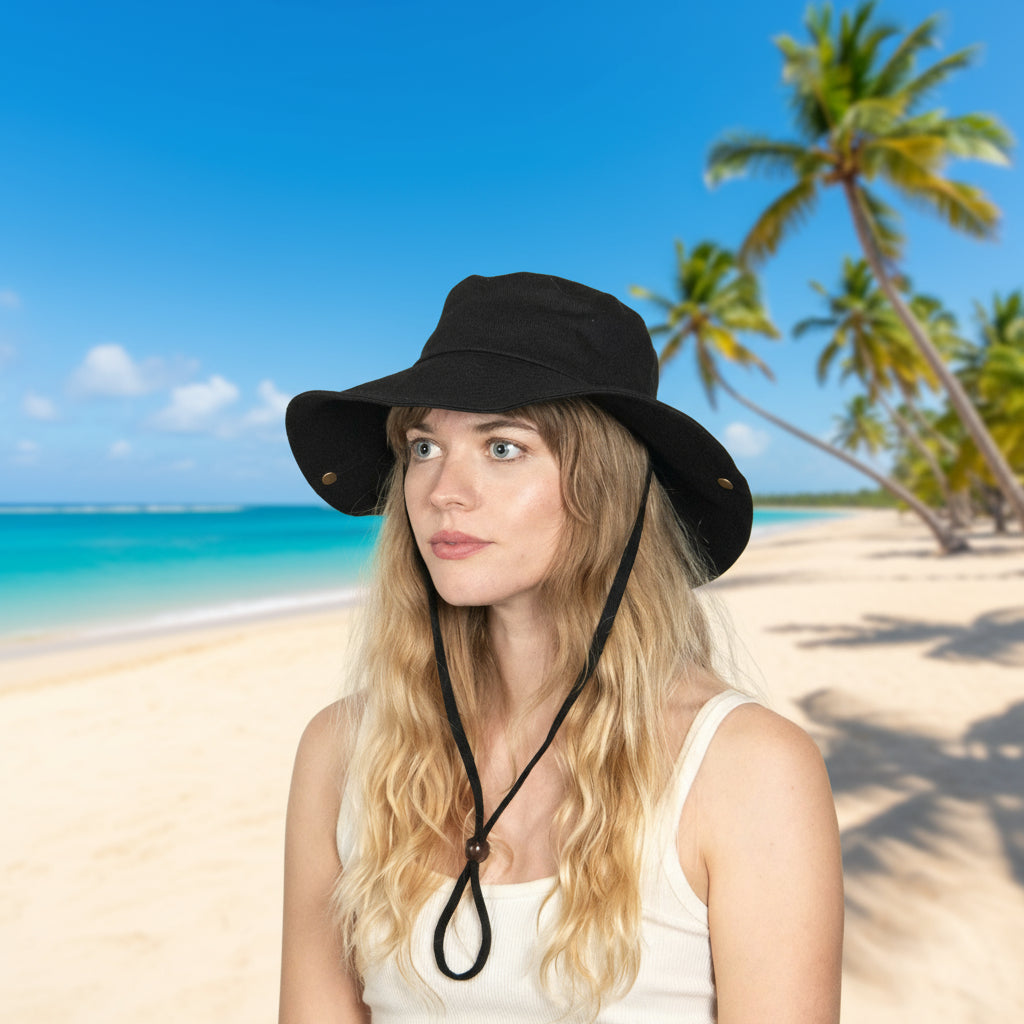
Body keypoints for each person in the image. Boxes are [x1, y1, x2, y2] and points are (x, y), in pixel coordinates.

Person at [279, 272, 843, 1024]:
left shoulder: (746, 767)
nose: (444, 489)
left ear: (604, 486)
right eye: (423, 446)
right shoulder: (344, 749)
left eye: (502, 447)